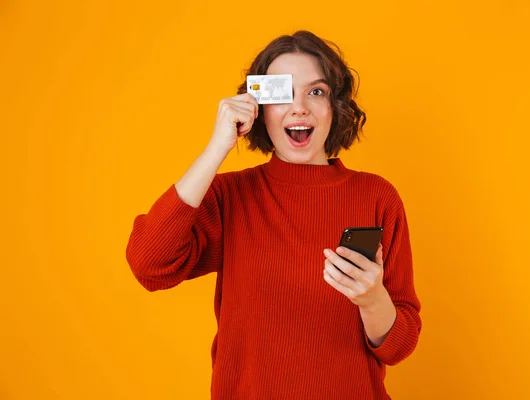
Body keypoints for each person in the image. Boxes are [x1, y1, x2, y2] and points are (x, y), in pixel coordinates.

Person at [126, 30, 422, 399]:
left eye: (317, 92)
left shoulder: (377, 196)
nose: (300, 108)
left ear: (336, 106)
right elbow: (148, 264)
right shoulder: (230, 197)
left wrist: (372, 299)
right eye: (283, 94)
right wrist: (219, 146)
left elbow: (399, 346)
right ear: (259, 108)